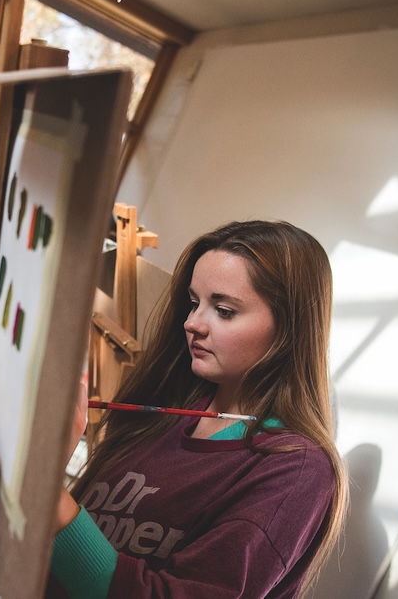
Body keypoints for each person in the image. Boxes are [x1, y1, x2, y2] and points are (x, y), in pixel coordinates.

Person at [48, 220, 348, 598]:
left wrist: (47, 491)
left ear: (288, 330)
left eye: (223, 310)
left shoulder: (296, 468)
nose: (192, 323)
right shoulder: (171, 409)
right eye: (194, 303)